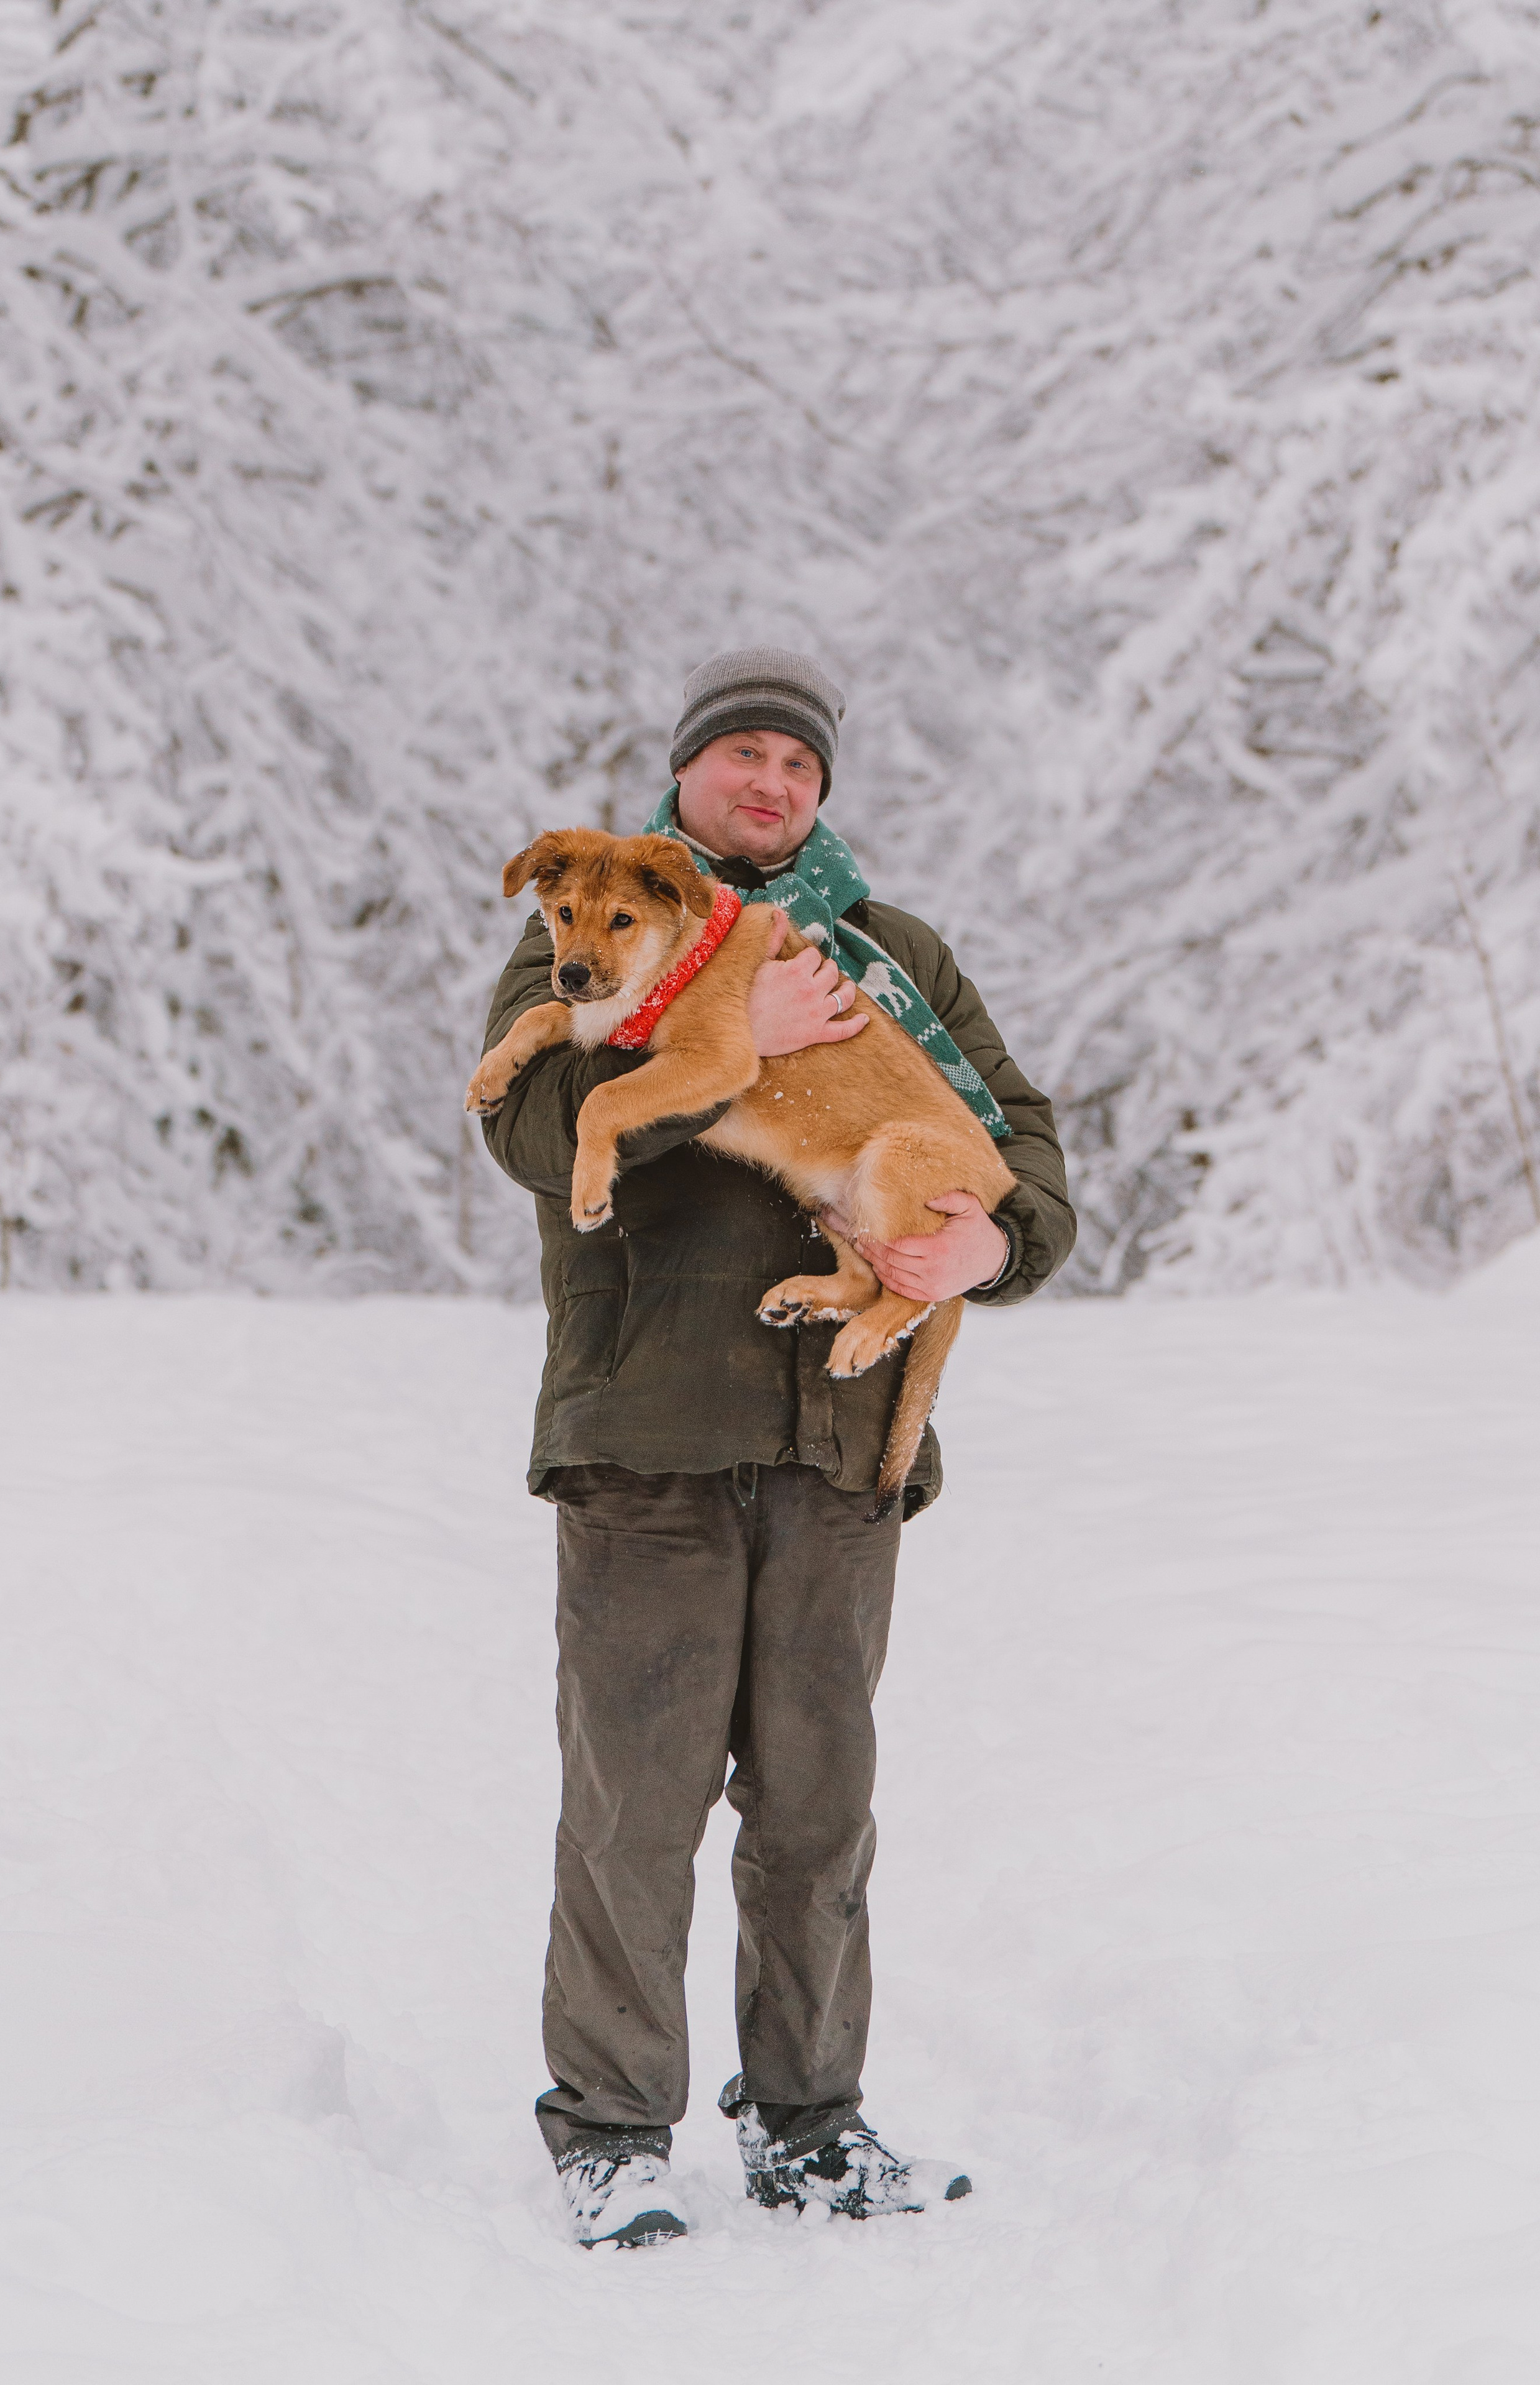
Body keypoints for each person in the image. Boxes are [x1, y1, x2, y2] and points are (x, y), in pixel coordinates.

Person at [480, 648, 1075, 2246]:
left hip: (841, 1448)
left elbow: (1023, 1150)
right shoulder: (592, 924)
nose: (772, 782)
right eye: (740, 753)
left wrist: (989, 1251)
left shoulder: (893, 956)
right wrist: (731, 1037)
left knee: (817, 1808)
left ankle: (808, 2122)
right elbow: (537, 1139)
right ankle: (609, 2128)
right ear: (683, 774)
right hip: (647, 1441)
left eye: (798, 765)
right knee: (633, 1805)